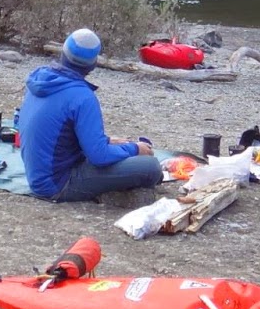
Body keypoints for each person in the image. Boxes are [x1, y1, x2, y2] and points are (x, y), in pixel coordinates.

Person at [18, 28, 163, 202]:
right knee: (151, 167)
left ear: (63, 53)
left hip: (36, 178)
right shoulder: (82, 96)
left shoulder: (40, 78)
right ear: (92, 65)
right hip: (57, 185)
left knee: (109, 149)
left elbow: (55, 128)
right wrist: (135, 149)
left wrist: (107, 141)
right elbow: (99, 157)